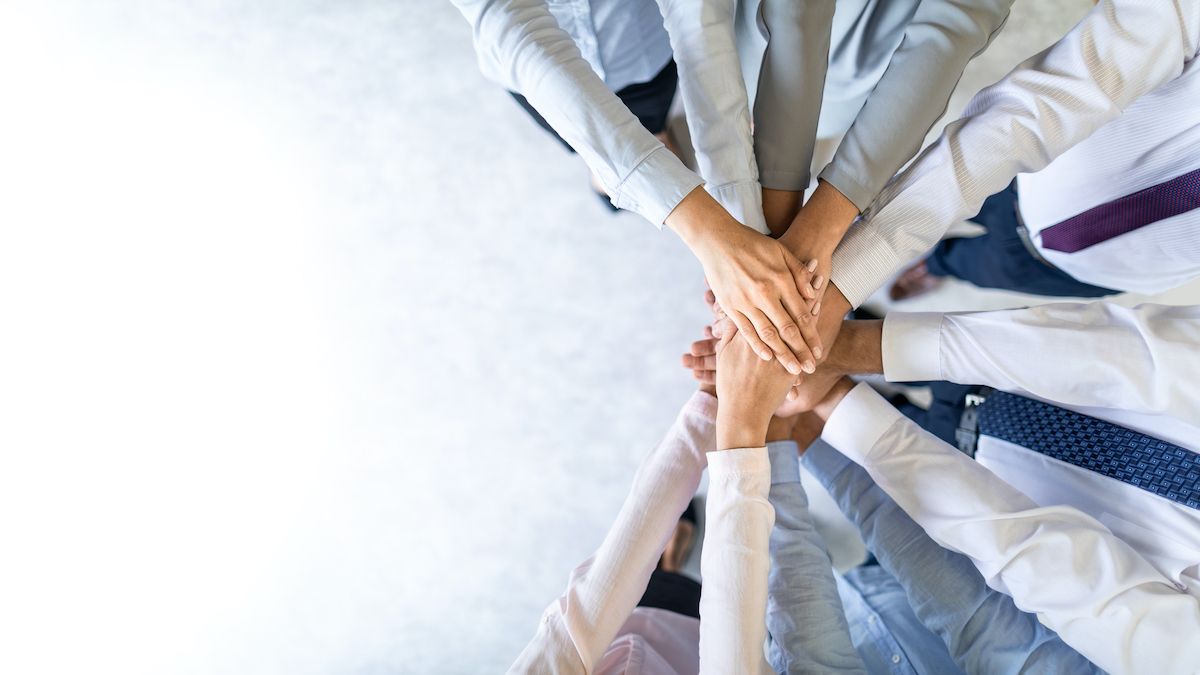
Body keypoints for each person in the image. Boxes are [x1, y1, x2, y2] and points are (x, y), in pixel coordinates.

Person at [450, 0, 824, 378]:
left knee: (652, 128)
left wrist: (733, 225)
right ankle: (611, 176)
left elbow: (694, 14)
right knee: (580, 139)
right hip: (535, 75)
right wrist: (718, 234)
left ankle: (641, 160)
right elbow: (515, 29)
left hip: (641, 49)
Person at [507, 303, 841, 673]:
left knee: (652, 584)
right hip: (692, 650)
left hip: (625, 632)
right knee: (707, 595)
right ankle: (675, 556)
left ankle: (670, 559)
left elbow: (583, 614)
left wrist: (710, 404)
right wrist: (742, 424)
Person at [823, 0, 1200, 311]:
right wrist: (856, 265)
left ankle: (935, 266)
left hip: (1093, 272)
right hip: (1039, 168)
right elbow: (1055, 98)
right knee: (951, 185)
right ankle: (919, 251)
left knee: (975, 266)